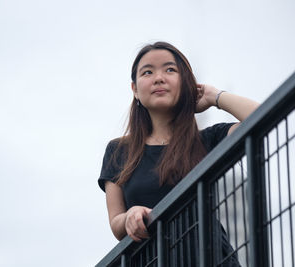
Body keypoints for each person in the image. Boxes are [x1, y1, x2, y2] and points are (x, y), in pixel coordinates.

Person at [98, 42, 258, 264]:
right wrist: (129, 217)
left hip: (209, 259)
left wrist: (214, 96)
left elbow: (262, 118)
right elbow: (116, 222)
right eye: (148, 72)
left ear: (185, 83)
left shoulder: (208, 140)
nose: (159, 78)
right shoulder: (119, 151)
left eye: (170, 70)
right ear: (134, 90)